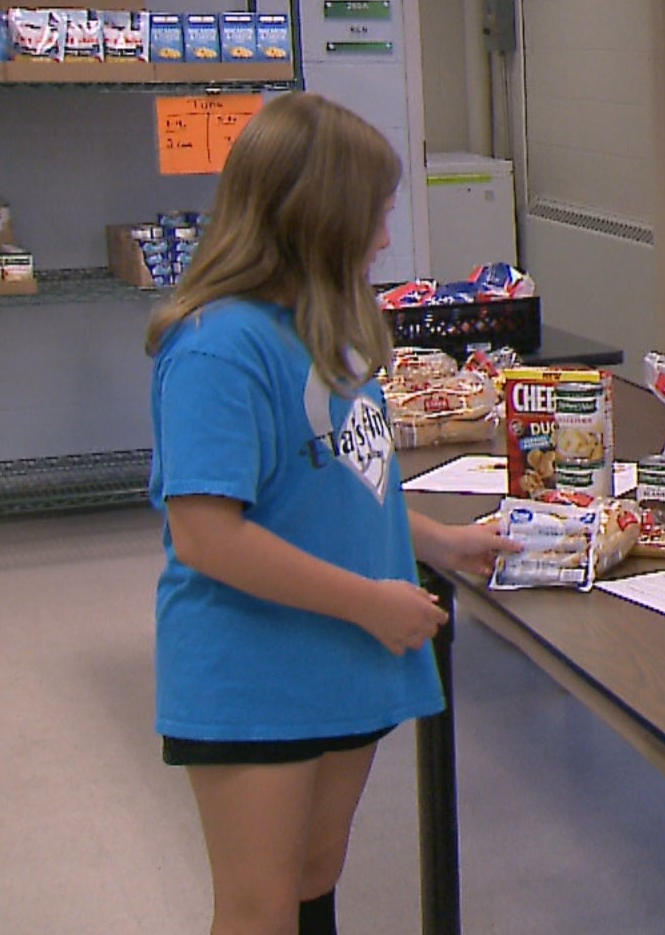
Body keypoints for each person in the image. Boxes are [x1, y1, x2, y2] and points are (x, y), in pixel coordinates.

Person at [145, 92, 519, 934]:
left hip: (341, 654)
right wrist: (372, 601)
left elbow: (345, 487)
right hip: (255, 669)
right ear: (316, 219)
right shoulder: (218, 347)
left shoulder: (325, 329)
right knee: (260, 907)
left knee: (314, 880)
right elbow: (209, 537)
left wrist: (439, 543)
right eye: (376, 215)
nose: (385, 237)